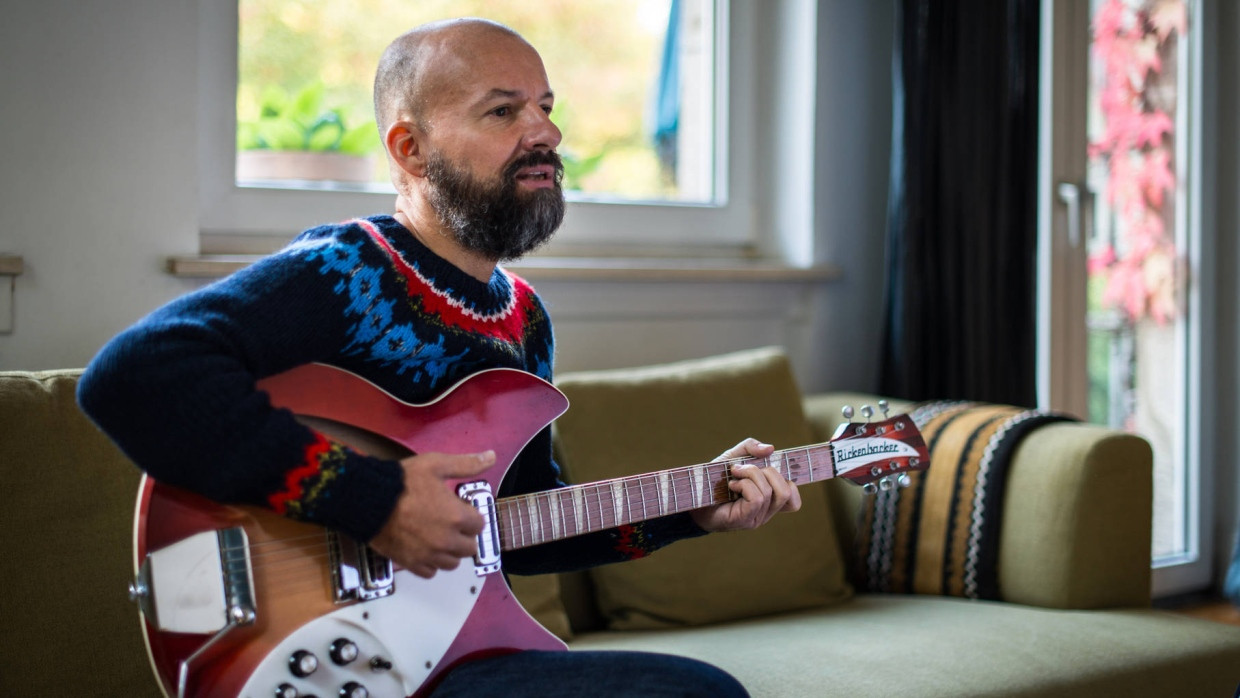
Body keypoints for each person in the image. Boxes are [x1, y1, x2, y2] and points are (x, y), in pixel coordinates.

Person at [78, 18, 800, 697]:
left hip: (438, 656)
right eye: (503, 112)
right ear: (409, 149)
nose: (546, 132)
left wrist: (694, 509)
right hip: (317, 655)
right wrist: (374, 500)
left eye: (545, 107)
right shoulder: (348, 270)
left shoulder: (524, 319)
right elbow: (134, 375)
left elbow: (513, 527)